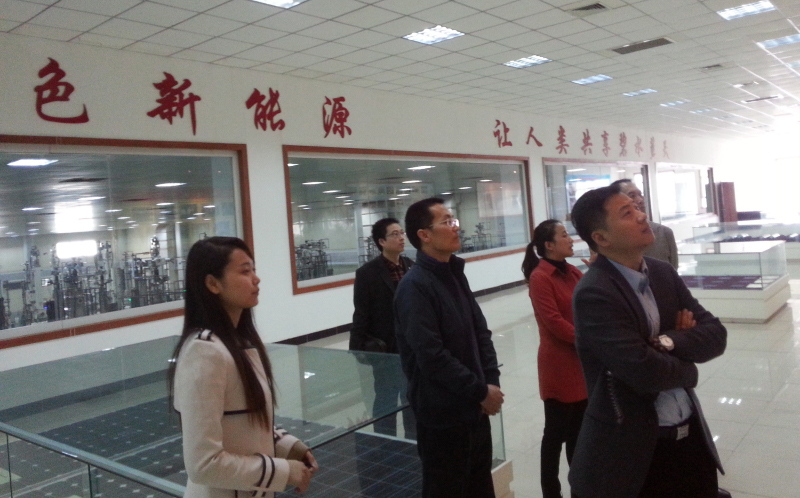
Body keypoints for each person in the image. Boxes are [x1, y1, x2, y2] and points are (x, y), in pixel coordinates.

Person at [567, 185, 726, 498]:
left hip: (690, 436)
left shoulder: (662, 273)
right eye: (627, 213)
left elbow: (715, 334)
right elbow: (645, 372)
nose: (641, 216)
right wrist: (688, 367)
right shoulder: (595, 292)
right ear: (601, 238)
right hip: (634, 449)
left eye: (637, 208)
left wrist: (667, 341)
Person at [169, 237, 318, 498]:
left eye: (254, 269)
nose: (256, 279)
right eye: (245, 271)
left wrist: (286, 446)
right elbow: (203, 465)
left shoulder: (238, 343)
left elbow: (240, 426)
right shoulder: (204, 352)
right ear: (213, 283)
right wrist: (283, 471)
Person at [395, 198, 503, 498]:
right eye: (446, 222)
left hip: (475, 410)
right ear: (424, 235)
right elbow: (432, 356)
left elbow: (480, 333)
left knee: (480, 487)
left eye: (453, 220)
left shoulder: (454, 274)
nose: (456, 227)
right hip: (443, 417)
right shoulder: (414, 287)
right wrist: (480, 391)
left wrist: (491, 383)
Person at [521, 220, 587, 498]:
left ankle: (579, 487)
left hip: (580, 363)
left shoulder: (573, 272)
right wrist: (587, 340)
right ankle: (551, 491)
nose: (570, 239)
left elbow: (590, 305)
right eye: (564, 235)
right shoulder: (540, 277)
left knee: (578, 434)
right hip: (559, 366)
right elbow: (553, 322)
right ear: (549, 245)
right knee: (555, 435)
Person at [350, 217, 415, 437]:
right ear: (381, 242)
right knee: (386, 399)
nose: (401, 238)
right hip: (386, 348)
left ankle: (412, 443)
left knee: (411, 397)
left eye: (401, 233)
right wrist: (356, 347)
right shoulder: (367, 273)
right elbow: (361, 312)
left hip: (411, 345)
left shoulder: (411, 266)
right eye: (394, 234)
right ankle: (385, 441)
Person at [611, 179, 679, 269]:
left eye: (640, 194)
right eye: (632, 196)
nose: (640, 200)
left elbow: (673, 269)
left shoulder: (663, 233)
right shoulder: (613, 237)